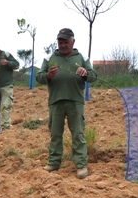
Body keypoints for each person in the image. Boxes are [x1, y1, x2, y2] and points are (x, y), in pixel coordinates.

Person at [36, 27, 97, 179]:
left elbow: (93, 76)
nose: (62, 45)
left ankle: (81, 165)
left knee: (78, 134)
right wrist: (48, 75)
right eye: (60, 42)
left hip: (75, 101)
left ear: (73, 42)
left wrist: (85, 73)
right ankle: (53, 163)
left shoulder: (81, 58)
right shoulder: (50, 58)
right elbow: (39, 77)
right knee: (55, 134)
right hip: (56, 101)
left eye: (66, 42)